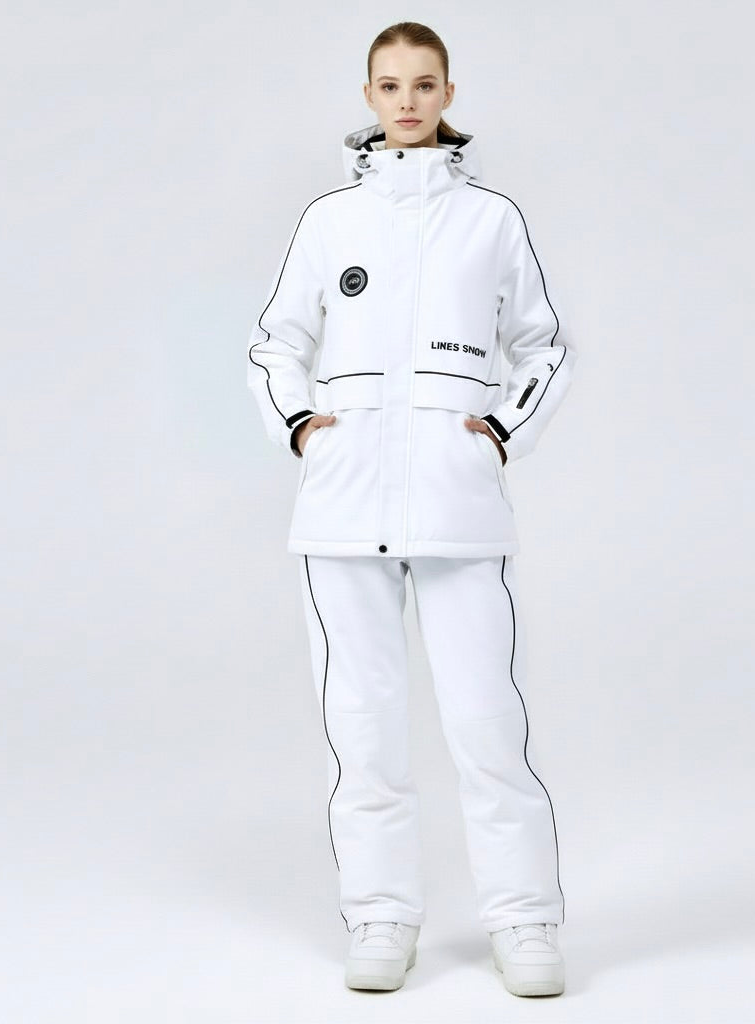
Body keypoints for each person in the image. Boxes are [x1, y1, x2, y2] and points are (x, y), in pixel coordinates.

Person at [246, 21, 576, 998]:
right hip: (342, 510)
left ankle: (524, 920)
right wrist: (301, 426)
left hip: (457, 505)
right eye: (389, 85)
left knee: (487, 723)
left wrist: (502, 430)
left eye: (423, 84)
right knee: (365, 729)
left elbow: (543, 345)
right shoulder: (330, 221)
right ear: (368, 95)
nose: (406, 101)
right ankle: (381, 916)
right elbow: (275, 342)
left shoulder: (491, 221)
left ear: (446, 93)